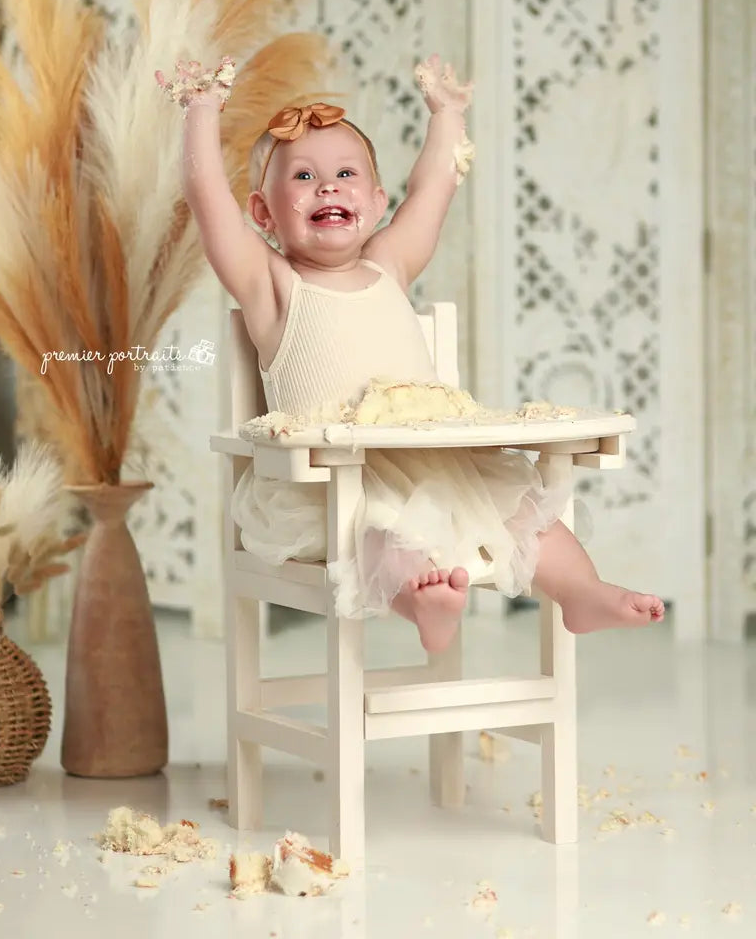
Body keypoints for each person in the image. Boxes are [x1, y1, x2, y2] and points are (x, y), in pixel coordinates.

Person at [162, 54, 664, 652]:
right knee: (384, 536)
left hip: (441, 463)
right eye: (301, 177)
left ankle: (581, 592)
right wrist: (201, 107)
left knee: (531, 514)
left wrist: (448, 115)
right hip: (336, 484)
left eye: (346, 174)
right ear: (263, 213)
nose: (328, 186)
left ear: (375, 204)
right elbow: (206, 196)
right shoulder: (272, 285)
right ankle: (424, 603)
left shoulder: (389, 265)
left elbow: (434, 186)